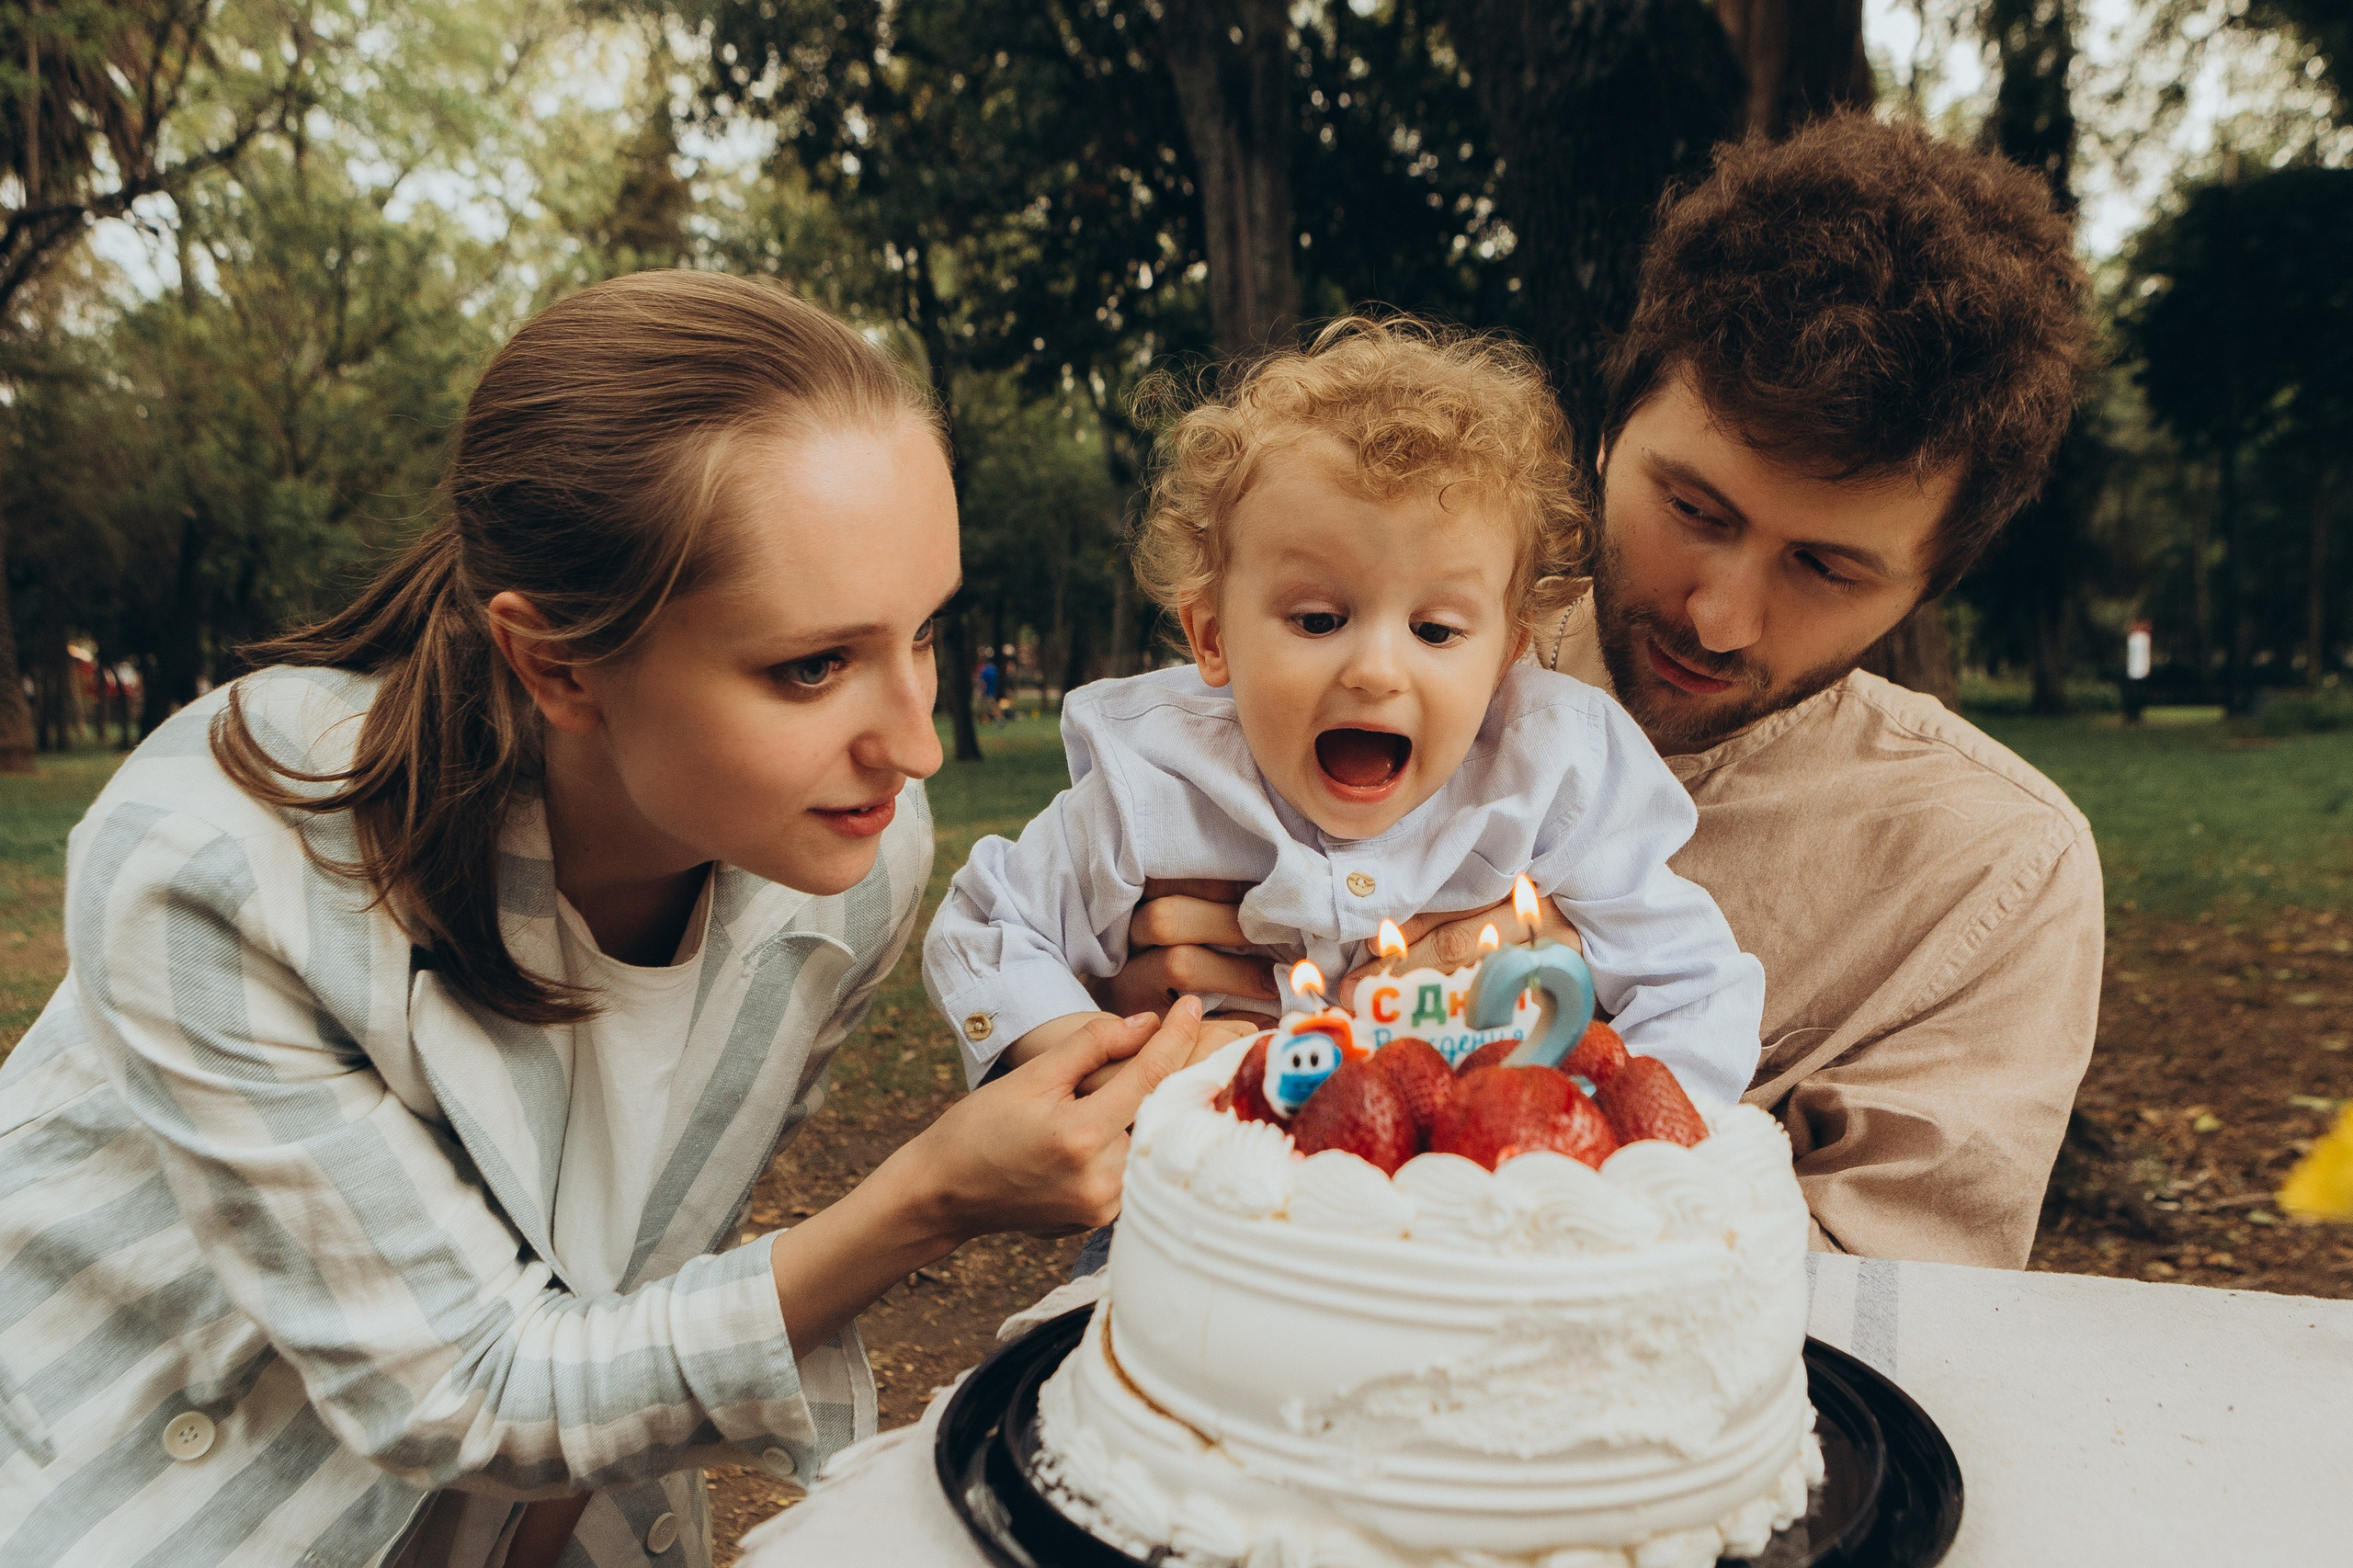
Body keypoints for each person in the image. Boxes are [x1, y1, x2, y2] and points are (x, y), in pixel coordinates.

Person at [0, 271, 1205, 1568]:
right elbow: (468, 1387)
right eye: (813, 664)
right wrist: (929, 1196)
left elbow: (627, 1283)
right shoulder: (222, 862)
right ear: (557, 663)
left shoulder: (851, 862)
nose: (915, 742)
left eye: (924, 633)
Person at [1098, 115, 2102, 1270]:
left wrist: (1582, 1035)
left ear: (1932, 580)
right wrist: (1140, 1020)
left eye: (1825, 568)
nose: (1717, 615)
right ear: (1614, 424)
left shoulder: (1992, 873)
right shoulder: (1371, 655)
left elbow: (1893, 1313)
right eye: (1693, 509)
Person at [925, 319, 1766, 1108]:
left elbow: (1691, 980)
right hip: (1216, 1206)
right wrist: (1118, 1059)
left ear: (1508, 651)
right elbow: (988, 926)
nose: (1374, 671)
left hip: (1473, 1196)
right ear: (1212, 636)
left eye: (1435, 630)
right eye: (1319, 621)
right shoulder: (1156, 782)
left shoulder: (1551, 773)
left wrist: (1632, 1153)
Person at [2122, 619, 2153, 723]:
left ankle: (2132, 715)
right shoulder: (2141, 638)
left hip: (2135, 671)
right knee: (2137, 694)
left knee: (2134, 694)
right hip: (2139, 671)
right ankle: (2134, 715)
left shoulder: (2135, 638)